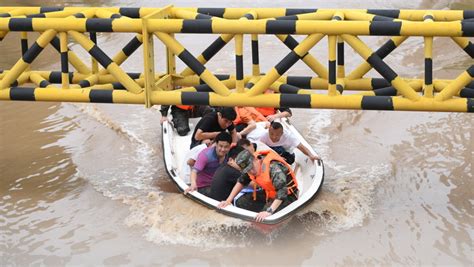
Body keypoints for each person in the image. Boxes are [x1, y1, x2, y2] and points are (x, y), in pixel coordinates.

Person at [218, 149, 299, 222]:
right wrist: (228, 200)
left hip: (288, 196)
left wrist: (269, 211)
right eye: (248, 170)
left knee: (264, 218)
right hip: (269, 192)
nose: (251, 171)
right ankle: (252, 219)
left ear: (256, 159)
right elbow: (241, 181)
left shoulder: (273, 167)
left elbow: (282, 191)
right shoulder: (249, 168)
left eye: (251, 168)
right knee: (241, 202)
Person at [185, 132, 232, 196]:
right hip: (204, 186)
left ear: (230, 146)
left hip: (219, 183)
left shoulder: (230, 154)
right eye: (220, 146)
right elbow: (194, 171)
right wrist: (193, 184)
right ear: (216, 144)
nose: (223, 149)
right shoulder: (206, 155)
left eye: (226, 147)